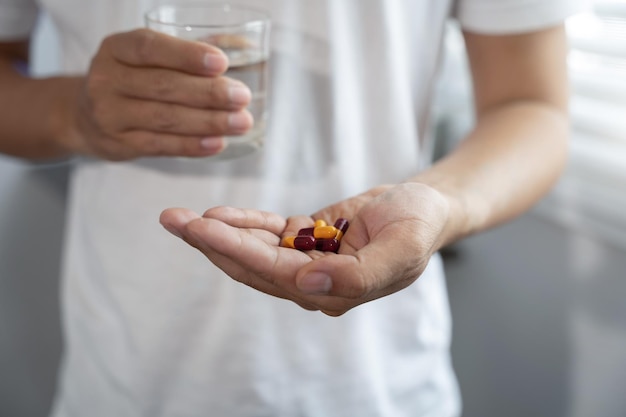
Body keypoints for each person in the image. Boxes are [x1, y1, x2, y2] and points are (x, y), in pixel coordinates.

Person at [0, 0, 582, 416]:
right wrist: (73, 112)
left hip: (378, 383)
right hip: (124, 377)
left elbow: (532, 105)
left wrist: (440, 204)